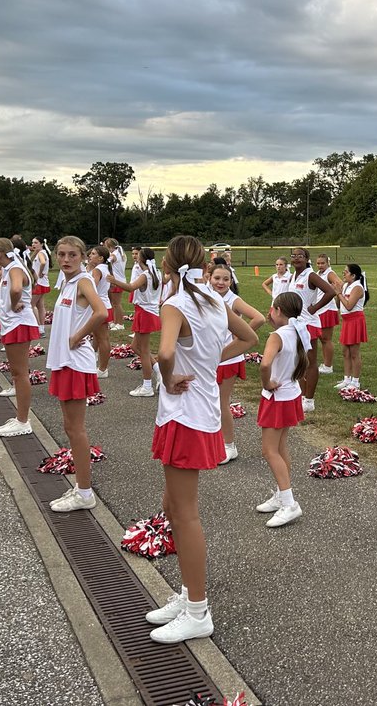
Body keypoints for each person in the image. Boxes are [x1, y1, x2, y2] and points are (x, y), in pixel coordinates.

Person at [144, 236, 257, 644]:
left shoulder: (176, 304)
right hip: (198, 410)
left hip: (184, 413)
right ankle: (188, 593)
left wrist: (170, 375)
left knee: (185, 514)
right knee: (173, 507)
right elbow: (249, 338)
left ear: (168, 266)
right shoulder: (214, 300)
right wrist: (210, 361)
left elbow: (165, 353)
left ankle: (197, 611)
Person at [45, 236, 108, 512]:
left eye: (72, 254)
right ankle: (81, 487)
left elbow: (101, 312)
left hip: (74, 362)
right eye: (61, 254)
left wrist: (78, 336)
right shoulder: (68, 282)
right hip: (65, 361)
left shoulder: (83, 281)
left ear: (83, 256)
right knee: (70, 427)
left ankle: (84, 492)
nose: (66, 259)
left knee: (75, 428)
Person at [255, 291, 309, 528]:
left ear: (277, 310)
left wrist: (266, 383)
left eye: (272, 308)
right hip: (291, 393)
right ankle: (281, 494)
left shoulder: (277, 337)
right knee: (280, 447)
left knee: (269, 451)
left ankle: (289, 503)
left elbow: (265, 364)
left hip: (277, 396)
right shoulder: (298, 331)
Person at [209, 260, 265, 465]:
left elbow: (259, 318)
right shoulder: (207, 296)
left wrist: (238, 337)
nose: (221, 282)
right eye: (217, 278)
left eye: (226, 279)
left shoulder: (233, 300)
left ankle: (229, 446)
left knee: (221, 403)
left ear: (231, 281)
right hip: (211, 358)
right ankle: (214, 441)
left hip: (229, 359)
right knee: (210, 402)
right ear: (209, 278)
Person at [0, 238, 41, 434]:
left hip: (18, 323)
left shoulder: (15, 268)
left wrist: (13, 303)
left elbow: (17, 288)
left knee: (20, 374)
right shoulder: (9, 267)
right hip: (13, 324)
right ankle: (21, 417)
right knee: (18, 374)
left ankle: (23, 421)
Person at [286, 247, 337, 414]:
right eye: (293, 256)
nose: (296, 258)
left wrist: (315, 308)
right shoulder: (293, 276)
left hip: (308, 324)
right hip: (295, 323)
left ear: (307, 259)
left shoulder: (311, 275)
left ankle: (309, 400)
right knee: (298, 361)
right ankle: (301, 396)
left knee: (310, 362)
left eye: (300, 256)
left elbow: (330, 291)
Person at [109, 248, 162, 397]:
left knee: (143, 351)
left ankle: (147, 386)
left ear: (141, 258)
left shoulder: (146, 275)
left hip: (145, 312)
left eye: (138, 255)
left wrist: (114, 281)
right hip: (147, 311)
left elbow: (131, 287)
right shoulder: (156, 272)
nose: (135, 257)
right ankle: (158, 371)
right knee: (135, 347)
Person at [335, 263, 369, 391]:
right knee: (345, 352)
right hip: (347, 321)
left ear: (353, 275)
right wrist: (338, 293)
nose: (343, 274)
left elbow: (349, 306)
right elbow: (339, 305)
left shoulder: (358, 287)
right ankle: (346, 379)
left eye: (346, 272)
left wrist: (339, 293)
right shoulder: (345, 286)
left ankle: (355, 381)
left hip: (355, 320)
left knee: (354, 353)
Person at [87, 245, 114, 379]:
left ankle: (103, 368)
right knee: (99, 337)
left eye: (93, 254)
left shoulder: (98, 270)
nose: (90, 256)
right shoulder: (105, 268)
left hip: (99, 306)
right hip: (104, 304)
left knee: (102, 338)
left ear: (101, 258)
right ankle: (98, 363)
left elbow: (92, 288)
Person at [313, 253, 341, 376]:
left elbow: (339, 283)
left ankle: (328, 366)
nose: (320, 265)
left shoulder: (329, 273)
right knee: (322, 338)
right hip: (320, 309)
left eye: (322, 263)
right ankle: (325, 364)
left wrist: (337, 297)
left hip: (327, 309)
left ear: (327, 263)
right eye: (318, 263)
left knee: (326, 339)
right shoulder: (318, 274)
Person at [105, 239, 128, 330]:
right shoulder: (121, 253)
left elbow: (107, 261)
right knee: (114, 303)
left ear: (110, 247)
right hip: (119, 280)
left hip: (117, 281)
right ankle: (115, 322)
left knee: (116, 304)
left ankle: (120, 324)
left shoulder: (114, 255)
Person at [29, 237, 51, 330]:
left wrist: (39, 273)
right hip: (42, 282)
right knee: (40, 305)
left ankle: (37, 326)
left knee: (31, 305)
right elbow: (30, 261)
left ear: (41, 244)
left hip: (39, 282)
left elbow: (43, 262)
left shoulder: (41, 253)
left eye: (36, 243)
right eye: (32, 243)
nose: (33, 244)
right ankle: (41, 327)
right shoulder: (40, 253)